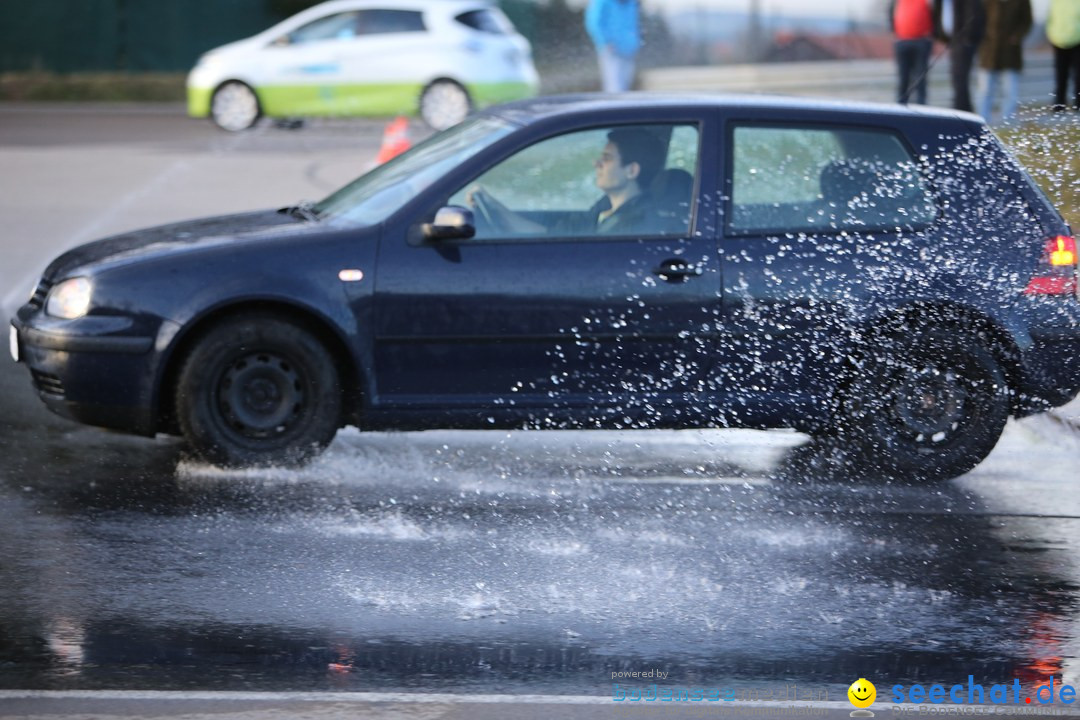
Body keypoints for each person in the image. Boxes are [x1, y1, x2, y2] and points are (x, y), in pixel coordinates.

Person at [466, 128, 665, 236]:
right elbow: (547, 235)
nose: (596, 163)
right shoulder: (603, 208)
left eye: (607, 158)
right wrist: (494, 206)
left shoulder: (638, 223)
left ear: (631, 170)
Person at [977, 0, 1032, 123]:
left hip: (1010, 52)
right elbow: (979, 20)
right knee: (985, 90)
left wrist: (1016, 37)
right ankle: (982, 121)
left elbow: (1027, 21)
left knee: (1010, 90)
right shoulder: (987, 2)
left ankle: (1008, 121)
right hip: (989, 52)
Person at [934, 0, 986, 111]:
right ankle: (962, 110)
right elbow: (938, 15)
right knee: (957, 79)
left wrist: (967, 38)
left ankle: (961, 111)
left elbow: (974, 15)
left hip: (963, 41)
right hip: (951, 41)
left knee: (960, 79)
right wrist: (941, 36)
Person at [585, 0, 641, 93]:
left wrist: (635, 43)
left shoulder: (631, 3)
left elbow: (633, 24)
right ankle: (614, 107)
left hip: (629, 49)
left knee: (626, 84)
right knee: (614, 86)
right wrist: (605, 42)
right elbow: (594, 23)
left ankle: (624, 106)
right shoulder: (601, 2)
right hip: (611, 49)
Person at [891, 0, 935, 104]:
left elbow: (934, 14)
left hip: (921, 41)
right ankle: (900, 109)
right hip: (903, 41)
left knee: (920, 79)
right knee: (903, 80)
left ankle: (922, 111)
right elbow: (891, 14)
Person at [1047, 0, 1080, 110]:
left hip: (1077, 41)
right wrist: (1052, 35)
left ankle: (1078, 105)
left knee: (1078, 76)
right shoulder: (1056, 2)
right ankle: (1059, 105)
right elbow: (1050, 19)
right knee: (1060, 76)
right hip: (1059, 42)